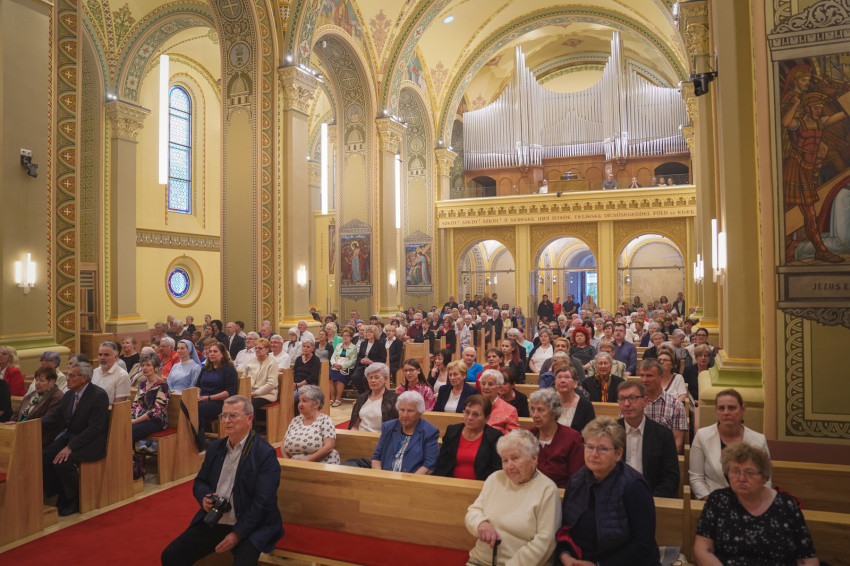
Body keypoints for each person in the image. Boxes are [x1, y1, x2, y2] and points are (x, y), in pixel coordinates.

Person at [161, 396, 285, 566]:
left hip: (251, 525)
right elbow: (200, 481)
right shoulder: (215, 448)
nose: (226, 421)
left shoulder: (264, 454)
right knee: (171, 555)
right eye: (223, 416)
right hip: (217, 519)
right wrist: (204, 497)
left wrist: (237, 534)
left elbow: (263, 502)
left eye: (233, 416)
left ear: (249, 419)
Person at [557, 416, 660, 566]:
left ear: (618, 454)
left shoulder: (634, 486)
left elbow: (643, 543)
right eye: (589, 447)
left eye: (602, 449)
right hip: (578, 560)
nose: (594, 454)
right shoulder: (576, 481)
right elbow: (564, 528)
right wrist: (564, 555)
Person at [693, 442, 818, 566]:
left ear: (764, 477)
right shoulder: (717, 500)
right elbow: (703, 550)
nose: (741, 478)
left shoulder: (786, 505)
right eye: (735, 471)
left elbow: (807, 559)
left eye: (749, 473)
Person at [465, 429, 561, 566]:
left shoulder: (547, 490)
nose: (509, 466)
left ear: (533, 459)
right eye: (505, 460)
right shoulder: (495, 479)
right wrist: (481, 523)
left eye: (515, 458)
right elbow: (474, 511)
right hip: (480, 560)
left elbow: (546, 541)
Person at [41, 362, 109, 516]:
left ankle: (75, 499)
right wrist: (28, 423)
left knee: (63, 461)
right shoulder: (70, 394)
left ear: (84, 378)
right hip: (71, 436)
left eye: (72, 375)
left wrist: (70, 447)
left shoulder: (98, 395)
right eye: (67, 374)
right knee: (45, 456)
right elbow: (55, 416)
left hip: (91, 441)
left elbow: (94, 428)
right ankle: (59, 492)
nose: (67, 378)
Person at [689, 389, 771, 501]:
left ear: (742, 409)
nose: (726, 412)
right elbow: (696, 478)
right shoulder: (702, 436)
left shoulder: (759, 440)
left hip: (749, 503)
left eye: (732, 408)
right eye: (721, 408)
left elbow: (766, 480)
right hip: (713, 501)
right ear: (716, 411)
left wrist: (753, 504)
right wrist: (711, 502)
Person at [615, 381, 679, 498]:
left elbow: (670, 479)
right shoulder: (610, 433)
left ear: (645, 401)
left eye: (632, 398)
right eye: (622, 399)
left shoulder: (663, 435)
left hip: (652, 498)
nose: (626, 404)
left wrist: (650, 500)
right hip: (616, 498)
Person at [434, 394, 502, 481]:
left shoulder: (495, 436)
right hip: (450, 482)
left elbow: (496, 470)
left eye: (475, 414)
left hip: (481, 485)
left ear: (487, 418)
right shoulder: (452, 431)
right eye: (467, 412)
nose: (469, 418)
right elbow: (441, 463)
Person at [371, 391, 439, 473]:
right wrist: (380, 476)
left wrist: (410, 480)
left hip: (413, 478)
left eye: (410, 411)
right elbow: (376, 457)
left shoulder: (429, 432)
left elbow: (429, 464)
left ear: (420, 413)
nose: (405, 415)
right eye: (402, 410)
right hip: (385, 476)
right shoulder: (388, 427)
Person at [528, 388, 584, 488]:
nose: (534, 415)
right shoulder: (528, 435)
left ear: (554, 412)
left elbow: (577, 478)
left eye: (540, 410)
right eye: (532, 409)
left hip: (559, 493)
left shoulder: (572, 438)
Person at [638, 358, 688, 453]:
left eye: (649, 376)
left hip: (664, 456)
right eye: (642, 375)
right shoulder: (633, 402)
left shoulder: (676, 405)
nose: (644, 380)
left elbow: (677, 442)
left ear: (661, 377)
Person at [282, 385, 339, 464]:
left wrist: (307, 461)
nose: (300, 404)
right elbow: (283, 445)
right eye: (299, 401)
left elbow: (329, 447)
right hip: (295, 464)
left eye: (304, 401)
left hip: (320, 463)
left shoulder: (325, 420)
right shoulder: (295, 420)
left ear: (316, 404)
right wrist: (288, 462)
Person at [7, 366, 64, 444]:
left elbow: (49, 420)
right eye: (36, 380)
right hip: (20, 430)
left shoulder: (57, 396)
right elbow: (17, 412)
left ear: (52, 382)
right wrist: (13, 421)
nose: (37, 383)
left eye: (41, 381)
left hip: (40, 435)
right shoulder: (31, 395)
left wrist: (22, 426)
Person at [196, 342, 239, 438]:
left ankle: (199, 440)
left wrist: (209, 398)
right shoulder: (206, 368)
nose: (211, 354)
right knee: (186, 407)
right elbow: (198, 385)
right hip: (203, 399)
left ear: (222, 354)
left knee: (196, 410)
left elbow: (229, 392)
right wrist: (198, 396)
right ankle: (195, 436)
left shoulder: (229, 369)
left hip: (221, 402)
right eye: (210, 351)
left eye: (215, 351)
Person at [130, 353, 170, 443]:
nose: (144, 368)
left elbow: (156, 412)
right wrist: (131, 418)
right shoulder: (142, 384)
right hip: (140, 417)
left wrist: (134, 421)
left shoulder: (163, 385)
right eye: (142, 365)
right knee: (121, 427)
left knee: (130, 430)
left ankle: (131, 452)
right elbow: (135, 404)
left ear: (156, 368)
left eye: (148, 365)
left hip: (156, 421)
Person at [348, 362, 398, 433]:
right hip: (361, 435)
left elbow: (396, 427)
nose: (373, 380)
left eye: (377, 377)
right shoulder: (362, 397)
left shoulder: (394, 399)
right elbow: (354, 425)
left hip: (381, 437)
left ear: (386, 379)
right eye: (370, 378)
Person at [553, 364, 595, 434]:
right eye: (559, 377)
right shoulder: (549, 403)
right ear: (555, 383)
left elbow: (590, 433)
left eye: (567, 377)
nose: (562, 380)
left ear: (575, 383)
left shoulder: (586, 406)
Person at [242, 338, 279, 415]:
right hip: (250, 393)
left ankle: (250, 423)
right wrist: (245, 391)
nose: (257, 350)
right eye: (255, 348)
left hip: (266, 394)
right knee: (235, 402)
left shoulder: (272, 363)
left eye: (260, 348)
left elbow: (271, 384)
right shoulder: (251, 361)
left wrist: (255, 393)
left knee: (249, 405)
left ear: (267, 349)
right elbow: (244, 378)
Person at [479, 369, 519, 435]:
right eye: (483, 383)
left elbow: (512, 437)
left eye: (490, 384)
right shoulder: (473, 405)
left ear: (499, 387)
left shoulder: (510, 410)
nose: (486, 387)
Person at [351, 325, 386, 395]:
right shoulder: (363, 343)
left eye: (371, 332)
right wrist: (361, 360)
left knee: (366, 378)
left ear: (375, 333)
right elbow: (359, 356)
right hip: (362, 365)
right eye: (367, 332)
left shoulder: (380, 344)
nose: (368, 333)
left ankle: (370, 394)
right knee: (355, 377)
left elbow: (383, 359)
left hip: (374, 366)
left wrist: (371, 362)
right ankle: (363, 394)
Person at [329, 326, 358, 407]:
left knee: (340, 377)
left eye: (347, 335)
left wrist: (342, 365)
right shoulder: (339, 345)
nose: (345, 337)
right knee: (330, 377)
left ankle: (338, 398)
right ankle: (332, 398)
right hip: (336, 367)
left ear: (351, 337)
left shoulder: (353, 347)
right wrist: (334, 364)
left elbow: (353, 361)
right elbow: (333, 357)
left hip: (347, 369)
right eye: (344, 335)